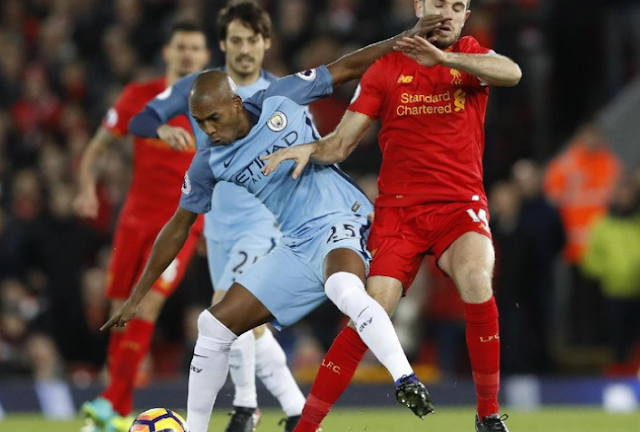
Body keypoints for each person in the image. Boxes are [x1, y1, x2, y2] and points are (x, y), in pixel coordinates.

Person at [103, 14, 448, 432]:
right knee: (212, 326)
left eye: (213, 118)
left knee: (343, 288)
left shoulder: (280, 97)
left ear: (235, 104)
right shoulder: (209, 161)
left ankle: (405, 378)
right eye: (199, 122)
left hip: (340, 217)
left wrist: (404, 38)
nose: (208, 130)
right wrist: (137, 296)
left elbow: (346, 67)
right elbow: (178, 225)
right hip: (295, 243)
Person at [262, 1, 522, 431]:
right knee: (368, 312)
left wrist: (445, 60)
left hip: (459, 206)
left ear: (466, 15)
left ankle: (488, 416)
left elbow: (511, 72)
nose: (448, 13)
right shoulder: (385, 68)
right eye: (439, 3)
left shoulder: (469, 57)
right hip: (399, 213)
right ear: (419, 6)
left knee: (477, 279)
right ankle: (306, 425)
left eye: (458, 6)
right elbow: (341, 143)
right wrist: (309, 149)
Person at [131, 2, 307, 432]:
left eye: (252, 40)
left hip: (264, 224)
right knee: (250, 328)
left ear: (265, 43)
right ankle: (299, 412)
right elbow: (141, 118)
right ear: (223, 44)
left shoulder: (278, 96)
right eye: (236, 40)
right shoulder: (199, 89)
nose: (245, 49)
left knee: (223, 312)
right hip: (218, 228)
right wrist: (160, 128)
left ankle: (246, 408)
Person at [72, 22, 210, 432]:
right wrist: (86, 188)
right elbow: (98, 146)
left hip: (182, 223)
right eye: (181, 46)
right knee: (119, 311)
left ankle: (108, 402)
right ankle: (117, 410)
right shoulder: (138, 96)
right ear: (167, 52)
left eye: (195, 48)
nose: (187, 54)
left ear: (205, 57)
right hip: (134, 220)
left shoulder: (213, 105)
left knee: (146, 305)